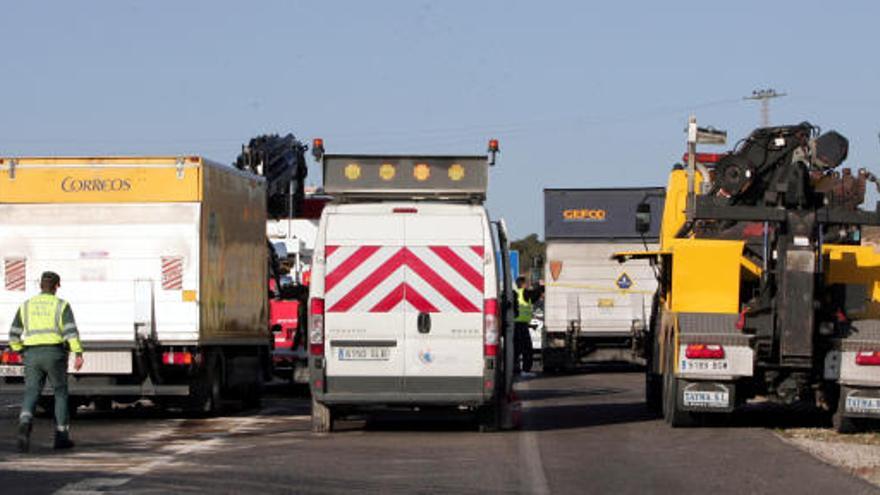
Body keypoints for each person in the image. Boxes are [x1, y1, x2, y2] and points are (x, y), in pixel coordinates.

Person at [9, 271, 84, 452]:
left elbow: (13, 333)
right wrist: (78, 352)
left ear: (40, 285)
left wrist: (19, 350)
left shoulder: (26, 305)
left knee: (32, 392)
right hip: (54, 353)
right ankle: (61, 436)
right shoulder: (61, 305)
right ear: (57, 285)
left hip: (31, 355)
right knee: (60, 392)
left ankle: (25, 422)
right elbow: (70, 332)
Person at [513, 276, 534, 375]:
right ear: (523, 284)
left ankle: (515, 369)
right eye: (527, 283)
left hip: (518, 324)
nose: (528, 285)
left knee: (517, 349)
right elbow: (535, 296)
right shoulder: (524, 293)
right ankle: (525, 370)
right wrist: (541, 287)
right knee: (527, 349)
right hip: (521, 325)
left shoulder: (518, 293)